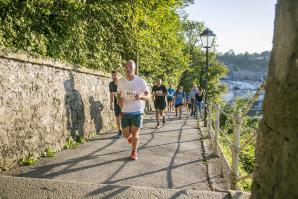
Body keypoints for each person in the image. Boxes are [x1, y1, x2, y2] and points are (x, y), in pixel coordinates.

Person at [118, 60, 151, 160]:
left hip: (137, 111)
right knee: (125, 134)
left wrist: (141, 96)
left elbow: (149, 96)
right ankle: (133, 141)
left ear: (134, 69)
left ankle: (134, 151)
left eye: (130, 67)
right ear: (124, 68)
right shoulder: (121, 81)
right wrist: (120, 100)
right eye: (126, 67)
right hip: (125, 111)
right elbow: (119, 94)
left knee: (135, 133)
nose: (128, 69)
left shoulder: (140, 81)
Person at [109, 71, 122, 138]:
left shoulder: (122, 83)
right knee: (117, 117)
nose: (113, 77)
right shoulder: (111, 84)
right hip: (116, 103)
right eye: (112, 75)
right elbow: (111, 95)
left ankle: (126, 129)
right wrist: (110, 104)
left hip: (123, 102)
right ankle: (120, 131)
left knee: (123, 116)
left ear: (118, 75)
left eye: (115, 75)